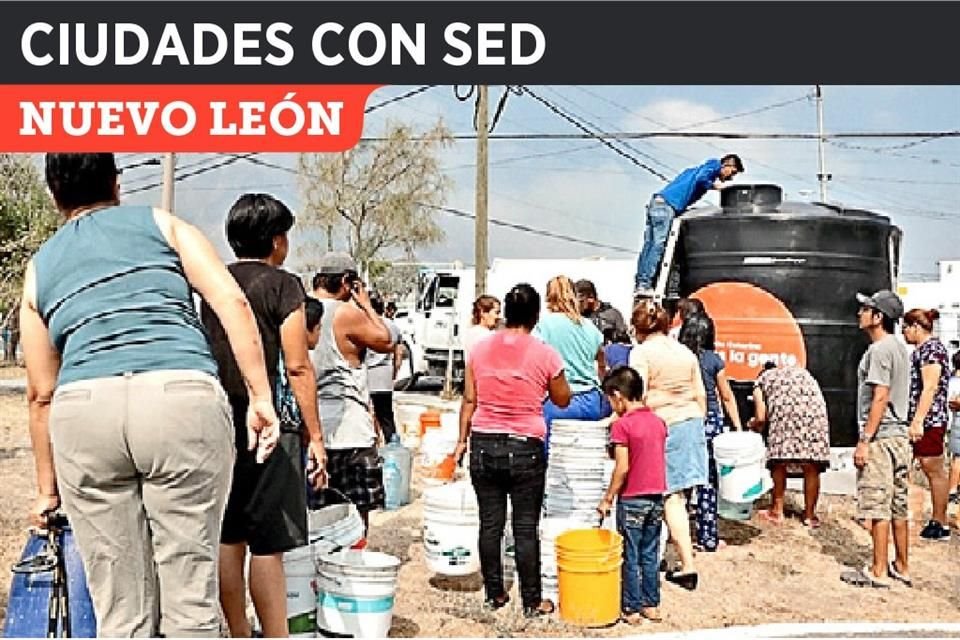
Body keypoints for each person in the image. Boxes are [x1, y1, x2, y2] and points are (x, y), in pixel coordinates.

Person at [21, 153, 279, 637]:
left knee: (121, 610)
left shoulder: (39, 268)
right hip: (179, 401)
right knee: (189, 598)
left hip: (85, 414)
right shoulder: (162, 225)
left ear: (55, 195)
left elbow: (40, 392)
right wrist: (260, 396)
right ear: (117, 184)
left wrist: (46, 490)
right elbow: (230, 300)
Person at [200, 193, 327, 638]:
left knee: (228, 535)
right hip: (269, 424)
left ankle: (237, 631)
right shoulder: (283, 285)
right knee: (267, 545)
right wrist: (315, 436)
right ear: (276, 240)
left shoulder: (214, 283)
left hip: (219, 421)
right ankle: (274, 635)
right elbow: (297, 365)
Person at [454, 283, 571, 619]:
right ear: (536, 315)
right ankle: (532, 601)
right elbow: (562, 398)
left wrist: (461, 441)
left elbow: (469, 399)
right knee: (524, 526)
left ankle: (494, 593)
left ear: (506, 312)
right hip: (525, 448)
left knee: (490, 524)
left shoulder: (480, 349)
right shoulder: (545, 353)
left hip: (484, 443)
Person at [311, 252, 395, 534]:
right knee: (357, 516)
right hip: (350, 429)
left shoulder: (300, 309)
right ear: (347, 282)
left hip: (313, 428)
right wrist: (367, 305)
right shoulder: (346, 313)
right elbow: (386, 340)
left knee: (318, 516)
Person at [629, 300, 706, 590]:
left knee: (667, 498)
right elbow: (700, 394)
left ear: (638, 328)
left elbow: (638, 394)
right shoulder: (684, 352)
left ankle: (687, 566)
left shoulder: (642, 353)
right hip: (690, 423)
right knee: (680, 497)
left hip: (663, 425)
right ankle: (672, 557)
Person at [841, 290, 911, 589]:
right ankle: (902, 566)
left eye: (866, 309)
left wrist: (864, 440)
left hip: (881, 438)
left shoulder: (879, 351)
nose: (860, 313)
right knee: (899, 505)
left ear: (878, 317)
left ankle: (878, 570)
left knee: (877, 505)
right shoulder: (899, 347)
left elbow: (879, 397)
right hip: (900, 437)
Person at [596, 366, 667, 625]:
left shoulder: (622, 427)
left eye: (610, 401)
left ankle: (631, 607)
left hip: (633, 498)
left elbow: (622, 468)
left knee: (630, 554)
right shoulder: (658, 423)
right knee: (650, 552)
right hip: (656, 496)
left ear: (618, 396)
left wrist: (607, 498)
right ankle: (652, 604)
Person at [634, 155, 744, 298]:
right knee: (658, 245)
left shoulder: (692, 171)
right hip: (666, 207)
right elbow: (702, 178)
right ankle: (644, 284)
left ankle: (641, 283)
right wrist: (716, 186)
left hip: (658, 203)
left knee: (650, 245)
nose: (731, 178)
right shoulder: (713, 165)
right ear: (726, 165)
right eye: (733, 173)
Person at [678, 314, 743, 551]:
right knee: (708, 482)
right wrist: (737, 425)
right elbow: (726, 395)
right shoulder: (713, 360)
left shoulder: (679, 358)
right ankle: (708, 537)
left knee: (681, 481)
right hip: (710, 421)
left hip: (683, 418)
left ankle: (678, 534)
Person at [748, 364, 831, 528]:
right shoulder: (802, 373)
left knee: (779, 462)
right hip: (815, 416)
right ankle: (809, 515)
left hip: (786, 416)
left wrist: (752, 425)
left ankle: (776, 512)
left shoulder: (761, 381)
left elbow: (761, 417)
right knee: (811, 465)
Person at [534, 276, 608, 439]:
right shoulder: (590, 327)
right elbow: (601, 362)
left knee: (554, 458)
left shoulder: (544, 326)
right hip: (591, 399)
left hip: (559, 400)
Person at [902, 307, 952, 541]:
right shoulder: (923, 350)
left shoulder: (931, 350)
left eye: (906, 327)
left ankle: (940, 521)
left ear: (916, 327)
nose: (903, 332)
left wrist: (918, 420)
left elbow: (930, 387)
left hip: (930, 420)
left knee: (933, 468)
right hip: (924, 419)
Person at [366, 295, 403, 443]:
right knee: (386, 415)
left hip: (367, 374)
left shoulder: (365, 325)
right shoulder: (392, 326)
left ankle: (373, 443)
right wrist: (394, 372)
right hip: (384, 375)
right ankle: (391, 445)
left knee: (368, 413)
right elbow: (398, 353)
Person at [463, 294, 501, 361]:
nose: (497, 317)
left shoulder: (471, 333)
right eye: (496, 313)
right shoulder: (486, 336)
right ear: (483, 312)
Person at [947, 351, 960, 510]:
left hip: (950, 423)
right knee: (958, 457)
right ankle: (952, 490)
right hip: (957, 421)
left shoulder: (949, 381)